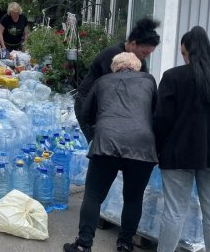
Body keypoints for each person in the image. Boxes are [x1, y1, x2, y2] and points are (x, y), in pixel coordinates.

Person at [64, 52, 158, 252]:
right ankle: (125, 244)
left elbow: (86, 113)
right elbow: (155, 113)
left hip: (106, 143)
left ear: (115, 67)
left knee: (93, 195)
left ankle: (83, 245)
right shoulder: (149, 81)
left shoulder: (102, 81)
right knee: (133, 197)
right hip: (142, 145)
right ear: (137, 67)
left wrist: (98, 129)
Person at [153, 26, 210, 252]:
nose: (183, 58)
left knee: (174, 211)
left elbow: (162, 119)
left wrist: (158, 148)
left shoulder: (173, 77)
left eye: (184, 54)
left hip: (178, 153)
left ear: (189, 52)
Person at [74, 18, 160, 142]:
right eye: (144, 52)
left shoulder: (140, 60)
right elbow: (113, 91)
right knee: (100, 144)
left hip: (111, 109)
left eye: (149, 54)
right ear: (133, 43)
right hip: (89, 104)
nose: (145, 57)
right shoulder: (113, 56)